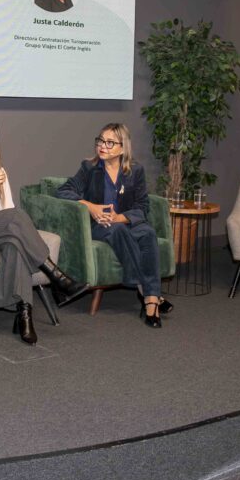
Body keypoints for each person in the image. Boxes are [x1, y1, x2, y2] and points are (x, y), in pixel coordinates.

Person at [0, 118, 89, 345]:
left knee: (14, 242)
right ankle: (57, 277)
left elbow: (6, 210)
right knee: (17, 217)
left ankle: (24, 313)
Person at [54, 123, 174, 327]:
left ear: (122, 148)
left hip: (122, 221)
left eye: (110, 143)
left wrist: (120, 217)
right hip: (98, 225)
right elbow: (63, 191)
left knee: (147, 232)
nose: (103, 146)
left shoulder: (135, 171)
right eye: (100, 141)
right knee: (116, 230)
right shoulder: (89, 168)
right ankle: (150, 296)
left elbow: (142, 206)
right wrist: (91, 207)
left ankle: (150, 294)